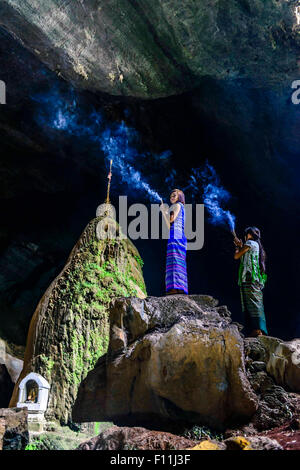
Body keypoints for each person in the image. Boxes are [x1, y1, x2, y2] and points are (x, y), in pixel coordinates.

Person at [234, 226, 268, 337]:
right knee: (252, 303)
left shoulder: (250, 243)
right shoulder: (254, 245)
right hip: (249, 279)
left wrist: (238, 247)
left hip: (249, 279)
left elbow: (236, 256)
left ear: (249, 235)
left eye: (247, 234)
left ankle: (258, 330)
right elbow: (243, 257)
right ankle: (256, 329)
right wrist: (240, 246)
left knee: (253, 303)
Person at [160, 189, 188, 295]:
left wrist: (164, 210)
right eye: (171, 195)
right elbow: (169, 225)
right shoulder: (182, 207)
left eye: (175, 195)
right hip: (179, 236)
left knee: (174, 261)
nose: (172, 196)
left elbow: (170, 220)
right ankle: (179, 288)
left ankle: (174, 288)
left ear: (179, 197)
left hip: (175, 236)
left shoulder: (177, 206)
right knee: (179, 262)